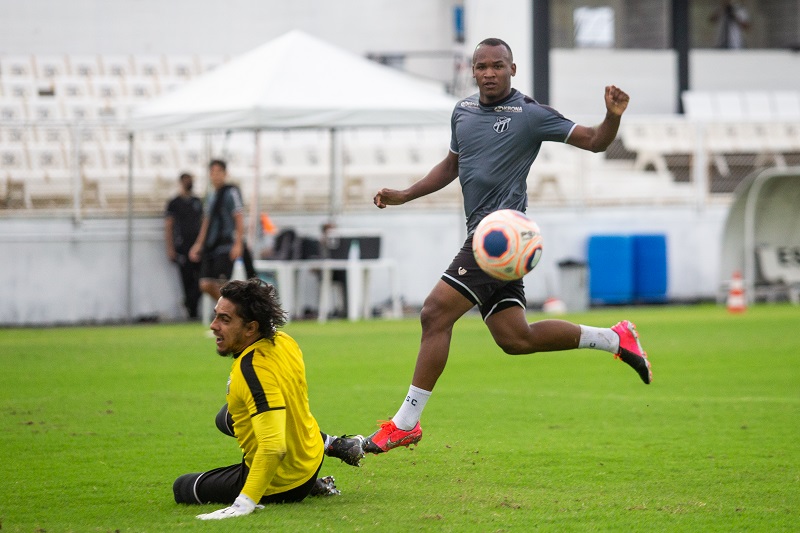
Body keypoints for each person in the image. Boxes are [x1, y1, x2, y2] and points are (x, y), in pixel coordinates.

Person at [363, 38, 652, 454]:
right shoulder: (461, 111)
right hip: (492, 243)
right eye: (481, 66)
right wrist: (405, 194)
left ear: (512, 69)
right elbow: (451, 166)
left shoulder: (529, 114)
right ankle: (615, 339)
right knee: (515, 339)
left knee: (433, 313)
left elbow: (593, 140)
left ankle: (405, 422)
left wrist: (612, 116)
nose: (488, 73)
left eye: (497, 66)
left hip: (500, 236)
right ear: (472, 70)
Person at [173, 278, 366, 520]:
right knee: (225, 418)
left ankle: (304, 483)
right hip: (311, 455)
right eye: (216, 316)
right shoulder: (285, 341)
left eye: (225, 319)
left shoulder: (251, 370)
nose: (213, 326)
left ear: (251, 328)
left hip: (285, 482)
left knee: (182, 487)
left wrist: (245, 503)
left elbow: (274, 447)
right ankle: (329, 443)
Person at [189, 159, 255, 302]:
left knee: (222, 284)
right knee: (205, 284)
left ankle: (232, 312)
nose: (216, 175)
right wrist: (199, 244)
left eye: (219, 172)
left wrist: (238, 243)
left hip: (226, 245)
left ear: (225, 174)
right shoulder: (211, 196)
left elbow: (238, 217)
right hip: (212, 246)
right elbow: (206, 222)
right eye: (213, 172)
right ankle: (233, 310)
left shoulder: (231, 192)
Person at [165, 172, 203, 319]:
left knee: (201, 279)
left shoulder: (197, 201)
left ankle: (191, 303)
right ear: (181, 182)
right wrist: (170, 248)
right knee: (186, 280)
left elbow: (203, 222)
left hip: (197, 247)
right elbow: (169, 226)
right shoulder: (174, 203)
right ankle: (191, 312)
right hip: (182, 248)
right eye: (187, 180)